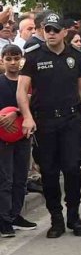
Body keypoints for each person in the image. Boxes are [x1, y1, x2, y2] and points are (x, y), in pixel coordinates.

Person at [18, 12, 81, 239]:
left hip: (70, 120)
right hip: (45, 121)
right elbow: (22, 91)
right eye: (46, 29)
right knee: (49, 172)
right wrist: (28, 117)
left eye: (54, 30)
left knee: (72, 169)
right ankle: (56, 219)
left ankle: (74, 216)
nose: (49, 33)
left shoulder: (76, 57)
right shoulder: (33, 56)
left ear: (64, 32)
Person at [0, 44, 36, 235]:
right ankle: (4, 219)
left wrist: (16, 113)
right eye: (8, 59)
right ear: (2, 60)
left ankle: (16, 214)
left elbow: (32, 103)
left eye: (16, 58)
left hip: (24, 134)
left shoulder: (28, 82)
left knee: (21, 178)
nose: (13, 62)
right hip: (3, 137)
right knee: (5, 178)